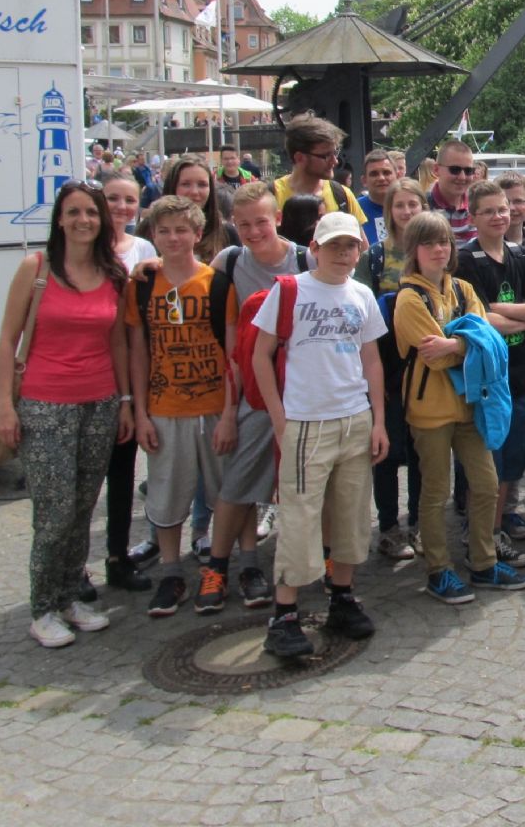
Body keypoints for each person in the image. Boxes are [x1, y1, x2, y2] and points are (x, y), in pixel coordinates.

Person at [0, 181, 132, 647]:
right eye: (74, 213)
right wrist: (6, 407)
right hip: (44, 403)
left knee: (80, 506)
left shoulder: (112, 274)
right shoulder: (36, 269)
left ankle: (71, 594)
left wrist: (125, 400)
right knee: (53, 512)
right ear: (60, 219)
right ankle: (43, 606)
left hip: (99, 401)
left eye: (91, 213)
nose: (84, 221)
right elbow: (6, 340)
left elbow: (117, 341)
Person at [251, 212, 388, 658]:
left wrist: (379, 418)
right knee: (300, 516)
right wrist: (278, 415)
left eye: (350, 246)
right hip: (305, 419)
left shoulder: (362, 294)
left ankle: (342, 595)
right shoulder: (289, 290)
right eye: (334, 245)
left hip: (354, 416)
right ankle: (285, 612)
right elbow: (260, 355)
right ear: (315, 247)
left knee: (350, 512)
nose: (343, 254)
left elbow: (371, 360)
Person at [395, 211, 525, 602]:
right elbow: (434, 358)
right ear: (414, 250)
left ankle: (483, 563)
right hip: (430, 411)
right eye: (429, 243)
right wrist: (469, 344)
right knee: (436, 493)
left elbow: (488, 344)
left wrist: (456, 343)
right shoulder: (409, 298)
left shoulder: (462, 289)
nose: (439, 250)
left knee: (486, 485)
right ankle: (439, 569)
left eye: (444, 243)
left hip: (471, 405)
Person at [198, 182, 312, 613]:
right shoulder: (228, 262)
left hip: (302, 390)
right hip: (255, 395)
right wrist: (228, 411)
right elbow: (226, 345)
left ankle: (307, 562)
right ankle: (218, 565)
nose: (252, 231)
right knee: (239, 482)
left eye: (261, 221)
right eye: (243, 224)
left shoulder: (305, 259)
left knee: (305, 484)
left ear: (277, 218)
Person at [126, 195, 238, 614]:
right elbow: (139, 352)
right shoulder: (141, 287)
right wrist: (140, 413)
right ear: (152, 235)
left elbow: (232, 355)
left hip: (212, 405)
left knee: (227, 491)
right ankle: (171, 572)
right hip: (164, 406)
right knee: (167, 496)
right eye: (164, 230)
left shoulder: (216, 284)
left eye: (181, 230)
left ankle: (225, 567)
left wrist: (230, 411)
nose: (173, 238)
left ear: (196, 234)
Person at [456, 180, 525, 568]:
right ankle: (483, 539)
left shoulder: (520, 254)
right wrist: (523, 316)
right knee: (486, 467)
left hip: (522, 378)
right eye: (490, 210)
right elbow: (479, 323)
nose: (500, 216)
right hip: (488, 381)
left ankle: (494, 530)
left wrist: (505, 313)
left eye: (504, 209)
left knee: (511, 461)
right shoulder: (465, 260)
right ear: (473, 216)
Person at [358, 177, 429, 560]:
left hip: (422, 365)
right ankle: (388, 527)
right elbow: (362, 314)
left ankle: (417, 523)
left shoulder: (432, 253)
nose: (406, 212)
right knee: (384, 451)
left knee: (421, 452)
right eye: (399, 206)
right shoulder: (374, 255)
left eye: (413, 205)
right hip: (384, 364)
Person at [98, 172, 158, 592]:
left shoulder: (144, 249)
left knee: (121, 473)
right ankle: (72, 571)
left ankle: (117, 558)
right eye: (112, 199)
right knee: (82, 483)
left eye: (129, 200)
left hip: (129, 373)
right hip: (89, 372)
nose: (121, 207)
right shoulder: (83, 250)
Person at [272, 114, 367, 228]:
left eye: (335, 152)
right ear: (299, 158)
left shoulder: (342, 195)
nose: (335, 161)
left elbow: (361, 244)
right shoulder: (271, 196)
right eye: (326, 156)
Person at [145, 154, 237, 264]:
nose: (194, 192)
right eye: (186, 184)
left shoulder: (226, 232)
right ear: (173, 186)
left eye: (202, 185)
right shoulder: (149, 227)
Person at [428, 139, 478, 245]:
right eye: (455, 170)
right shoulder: (420, 207)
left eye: (468, 171)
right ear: (436, 170)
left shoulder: (479, 206)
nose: (462, 177)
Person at [357, 148, 398, 245]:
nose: (381, 178)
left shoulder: (410, 207)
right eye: (374, 174)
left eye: (386, 172)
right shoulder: (354, 210)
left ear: (398, 175)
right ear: (364, 181)